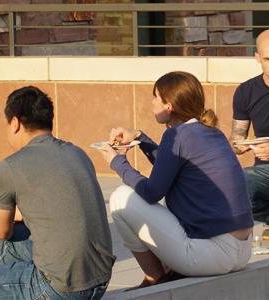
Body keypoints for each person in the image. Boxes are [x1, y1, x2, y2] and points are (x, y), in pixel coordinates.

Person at [0, 86, 114, 299]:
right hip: (99, 280)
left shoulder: (9, 167)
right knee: (12, 246)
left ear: (15, 123)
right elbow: (45, 210)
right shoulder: (77, 153)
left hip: (57, 289)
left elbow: (0, 232)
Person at [98, 71, 253, 290]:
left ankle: (155, 276)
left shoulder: (177, 135)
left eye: (155, 97)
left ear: (168, 106)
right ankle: (165, 272)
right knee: (167, 198)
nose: (152, 102)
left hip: (211, 255)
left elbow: (152, 192)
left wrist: (117, 162)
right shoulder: (210, 132)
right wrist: (140, 138)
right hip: (241, 252)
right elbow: (171, 164)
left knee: (121, 198)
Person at [231, 29, 269, 240]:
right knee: (232, 182)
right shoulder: (246, 92)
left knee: (246, 179)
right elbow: (236, 139)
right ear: (257, 58)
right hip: (263, 172)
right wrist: (242, 145)